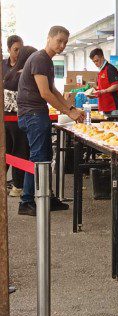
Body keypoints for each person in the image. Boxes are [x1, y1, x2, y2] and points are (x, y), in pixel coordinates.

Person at [17, 26, 85, 216]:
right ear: (49, 38)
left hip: (38, 114)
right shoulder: (39, 59)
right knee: (38, 159)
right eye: (59, 41)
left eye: (65, 42)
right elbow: (45, 92)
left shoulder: (46, 61)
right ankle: (27, 201)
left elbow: (53, 90)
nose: (62, 45)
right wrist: (67, 111)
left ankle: (46, 196)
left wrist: (71, 108)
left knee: (45, 157)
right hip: (32, 115)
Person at [3, 46, 37, 198]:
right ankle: (17, 186)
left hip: (6, 120)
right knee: (20, 152)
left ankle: (5, 184)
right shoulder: (24, 75)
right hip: (19, 119)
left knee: (7, 152)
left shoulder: (10, 74)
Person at [89, 48, 118, 117]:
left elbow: (116, 86)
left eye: (97, 61)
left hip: (115, 107)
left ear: (102, 57)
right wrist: (95, 92)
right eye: (94, 62)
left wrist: (103, 91)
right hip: (105, 107)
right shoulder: (101, 71)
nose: (95, 63)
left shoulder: (110, 69)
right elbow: (103, 87)